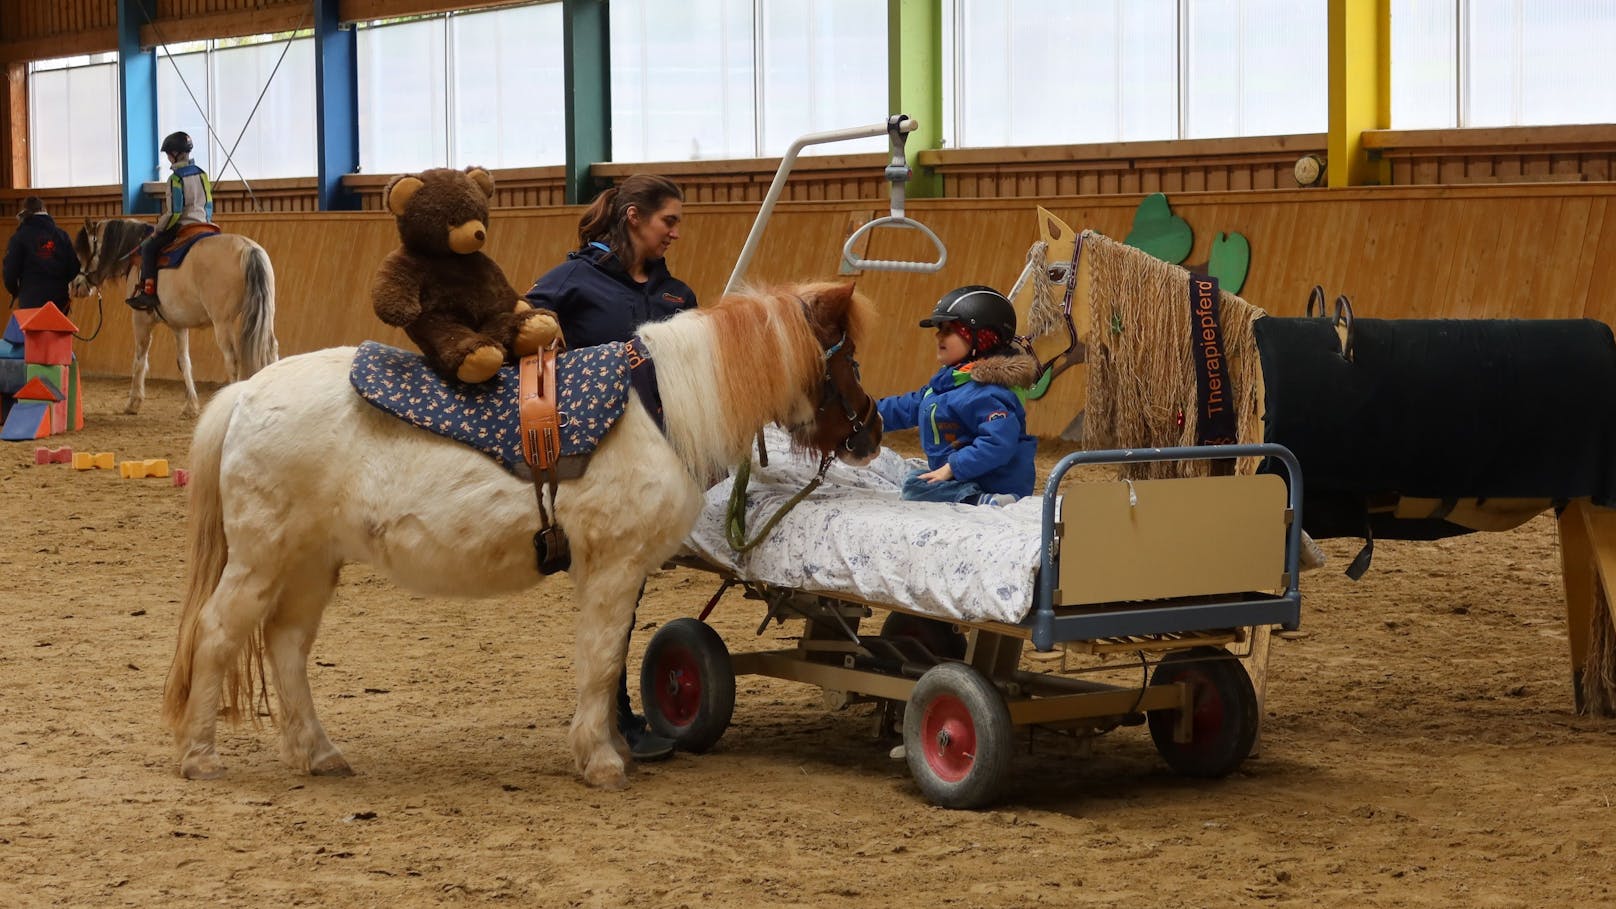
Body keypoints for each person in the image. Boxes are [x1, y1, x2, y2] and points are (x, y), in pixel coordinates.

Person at [523, 174, 696, 763]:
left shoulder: (679, 297)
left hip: (653, 469)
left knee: (626, 590)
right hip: (590, 463)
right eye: (667, 220)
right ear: (633, 218)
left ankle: (611, 712)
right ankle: (613, 715)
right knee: (614, 590)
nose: (675, 231)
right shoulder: (573, 279)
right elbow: (524, 331)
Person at [876, 285, 1039, 506]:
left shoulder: (989, 391)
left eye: (948, 329)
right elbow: (909, 406)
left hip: (992, 482)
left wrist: (952, 468)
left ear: (982, 337)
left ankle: (983, 500)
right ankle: (970, 496)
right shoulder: (949, 383)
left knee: (915, 486)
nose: (937, 335)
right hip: (962, 476)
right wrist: (864, 413)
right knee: (914, 478)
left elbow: (998, 442)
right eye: (938, 328)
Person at [128, 131, 212, 311]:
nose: (167, 158)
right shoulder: (203, 175)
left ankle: (148, 292)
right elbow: (209, 204)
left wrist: (158, 228)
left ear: (175, 153)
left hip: (184, 225)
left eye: (168, 154)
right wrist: (206, 220)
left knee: (149, 248)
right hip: (205, 224)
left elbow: (175, 212)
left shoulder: (176, 179)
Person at [4, 196, 80, 314]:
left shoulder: (19, 237)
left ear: (24, 214)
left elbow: (10, 273)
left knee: (33, 332)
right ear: (45, 211)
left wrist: (16, 292)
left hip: (30, 302)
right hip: (59, 304)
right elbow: (74, 269)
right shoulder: (62, 236)